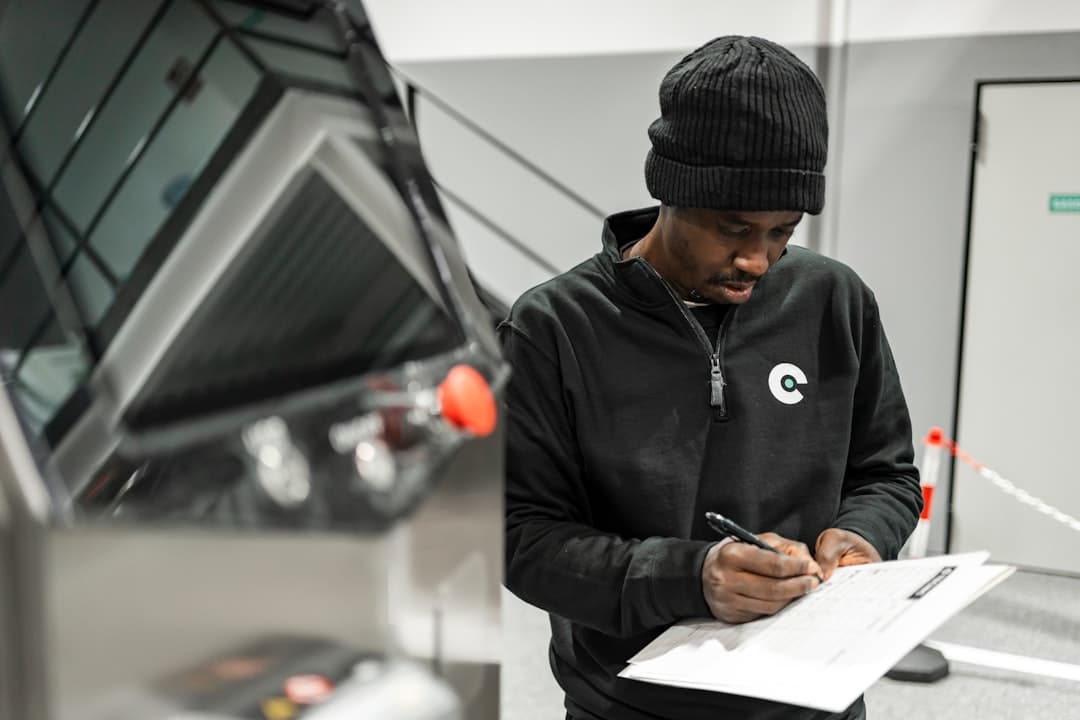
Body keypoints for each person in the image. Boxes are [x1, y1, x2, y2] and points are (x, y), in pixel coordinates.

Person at [499, 35, 923, 720]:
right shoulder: (554, 327)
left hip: (813, 697)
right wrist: (690, 577)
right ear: (670, 191)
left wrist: (862, 535)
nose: (757, 260)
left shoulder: (832, 300)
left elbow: (887, 474)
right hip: (631, 706)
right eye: (734, 228)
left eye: (782, 230)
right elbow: (521, 537)